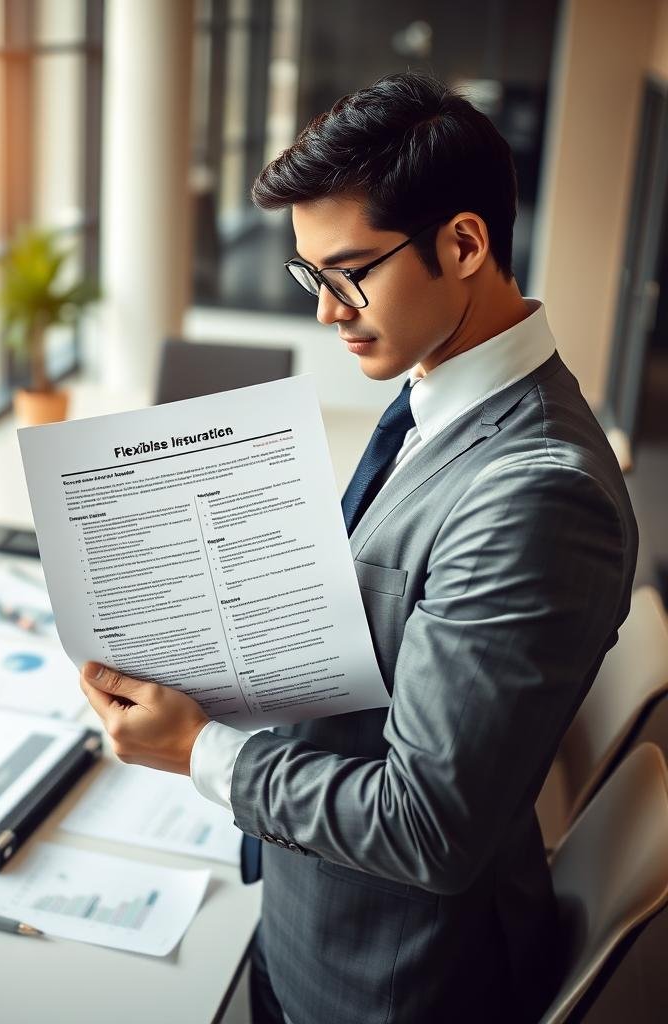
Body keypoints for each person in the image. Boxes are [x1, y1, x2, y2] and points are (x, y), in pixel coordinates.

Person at [79, 73, 638, 1024]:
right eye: (311, 276)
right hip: (317, 915)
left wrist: (199, 751)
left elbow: (427, 826)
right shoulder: (441, 395)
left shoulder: (539, 493)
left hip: (383, 981)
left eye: (350, 273)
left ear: (464, 244)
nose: (327, 311)